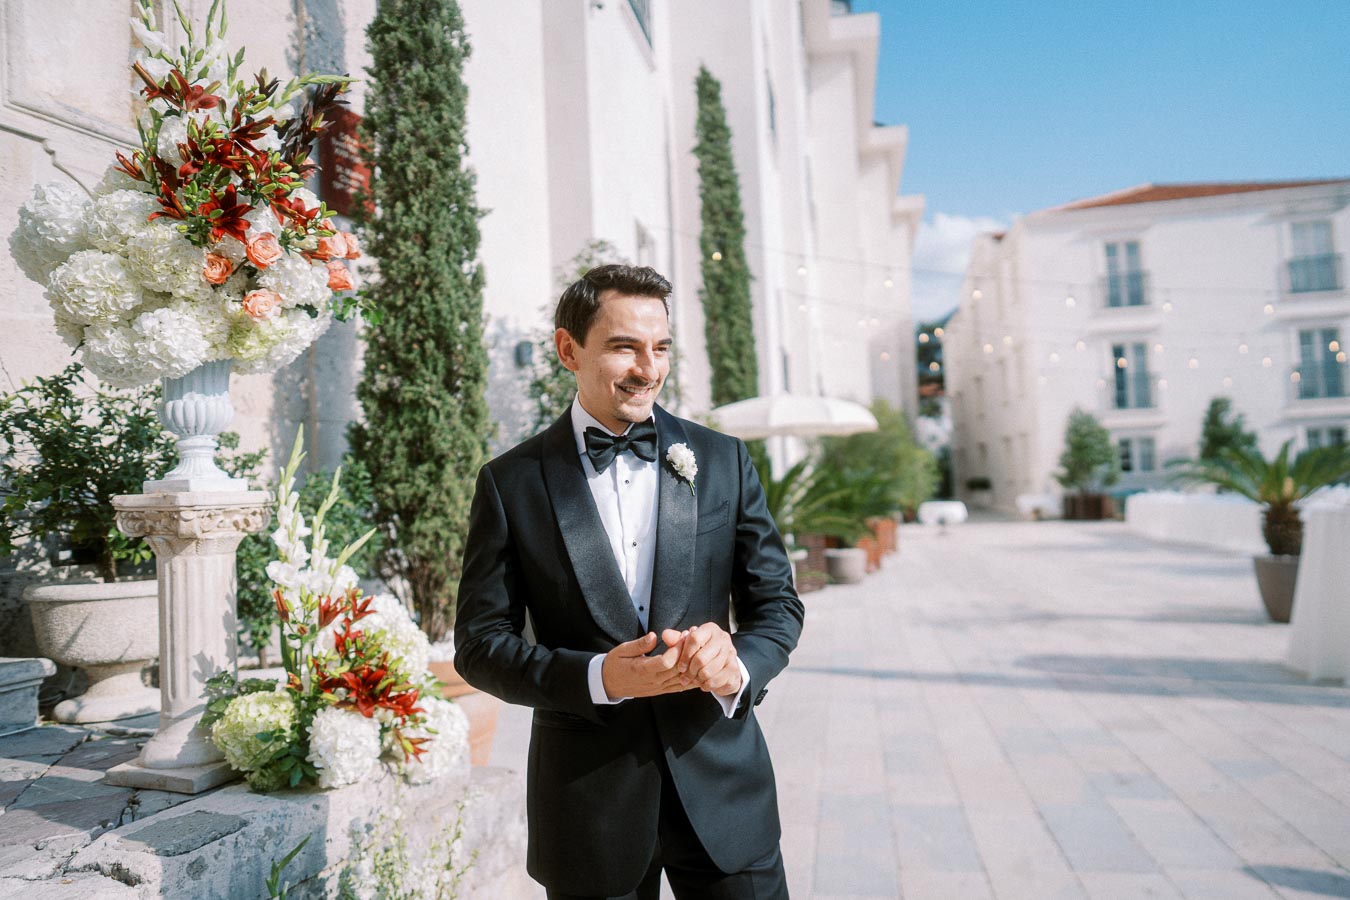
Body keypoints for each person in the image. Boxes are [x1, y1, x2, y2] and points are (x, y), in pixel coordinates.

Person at [454, 264, 805, 899]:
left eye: (661, 347)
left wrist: (740, 667)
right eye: (624, 346)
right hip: (588, 806)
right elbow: (479, 648)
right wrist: (600, 678)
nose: (649, 368)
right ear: (569, 349)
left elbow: (777, 604)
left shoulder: (723, 460)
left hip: (725, 790)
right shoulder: (511, 483)